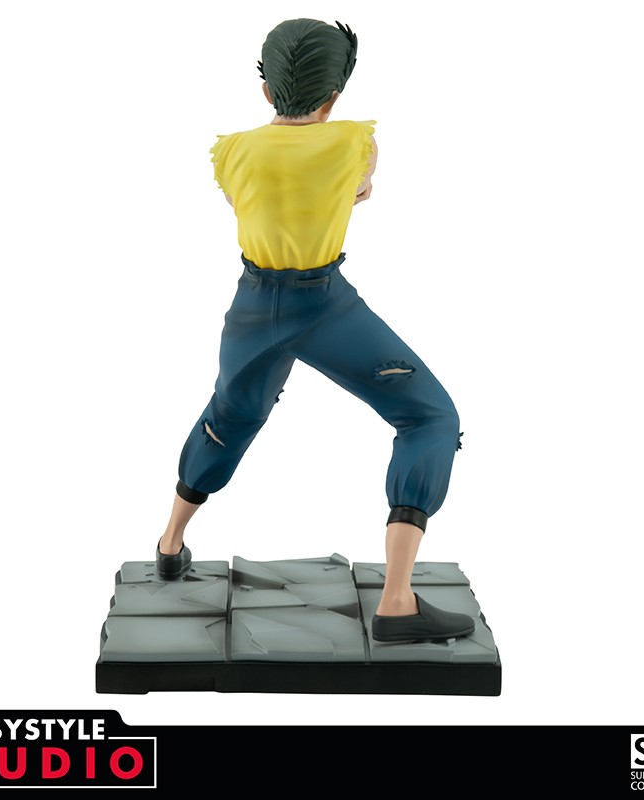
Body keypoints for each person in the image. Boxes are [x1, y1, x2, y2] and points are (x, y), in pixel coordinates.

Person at [155, 19, 474, 642]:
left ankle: (170, 543)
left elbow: (245, 203)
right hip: (325, 307)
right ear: (335, 94)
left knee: (231, 415)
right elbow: (359, 189)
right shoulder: (356, 142)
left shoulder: (232, 151)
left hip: (253, 307)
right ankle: (397, 602)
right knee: (430, 417)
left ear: (266, 91)